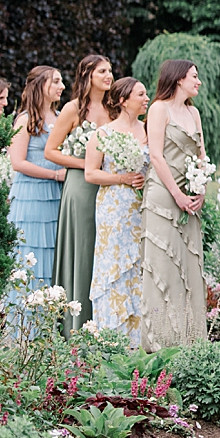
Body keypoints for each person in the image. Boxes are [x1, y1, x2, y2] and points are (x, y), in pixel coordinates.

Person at [141, 59, 209, 352]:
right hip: (162, 195)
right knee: (163, 268)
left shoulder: (194, 112)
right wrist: (177, 194)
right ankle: (160, 343)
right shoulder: (158, 109)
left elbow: (202, 154)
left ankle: (190, 341)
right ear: (179, 78)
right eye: (194, 76)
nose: (199, 82)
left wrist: (201, 189)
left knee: (190, 267)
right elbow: (156, 156)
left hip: (190, 197)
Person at [50, 53, 114, 331]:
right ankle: (76, 323)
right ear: (87, 75)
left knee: (106, 248)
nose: (109, 76)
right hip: (80, 186)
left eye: (110, 71)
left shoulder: (115, 109)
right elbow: (51, 151)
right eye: (102, 71)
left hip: (109, 185)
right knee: (84, 248)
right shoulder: (72, 109)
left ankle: (107, 321)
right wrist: (86, 164)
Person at [85, 77, 151, 348]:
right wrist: (122, 179)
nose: (147, 98)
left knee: (140, 266)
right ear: (123, 101)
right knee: (115, 267)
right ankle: (111, 337)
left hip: (142, 209)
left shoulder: (149, 131)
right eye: (141, 94)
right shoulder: (103, 133)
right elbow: (90, 173)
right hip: (113, 209)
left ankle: (139, 340)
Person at [7, 65, 67, 285]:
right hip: (31, 194)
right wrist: (53, 175)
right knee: (31, 252)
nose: (62, 86)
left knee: (54, 251)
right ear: (40, 85)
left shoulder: (61, 117)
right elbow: (18, 162)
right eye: (56, 81)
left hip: (58, 195)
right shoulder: (25, 119)